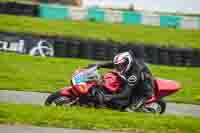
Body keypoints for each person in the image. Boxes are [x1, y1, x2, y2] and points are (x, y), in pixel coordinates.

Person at [88, 50, 154, 111]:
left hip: (143, 92)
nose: (119, 68)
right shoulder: (127, 63)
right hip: (134, 84)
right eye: (118, 66)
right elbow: (112, 64)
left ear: (127, 63)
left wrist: (108, 97)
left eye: (121, 66)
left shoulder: (134, 74)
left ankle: (141, 108)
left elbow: (125, 94)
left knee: (128, 110)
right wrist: (98, 64)